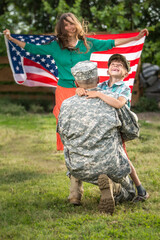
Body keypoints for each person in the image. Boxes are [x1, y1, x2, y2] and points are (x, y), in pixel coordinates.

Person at [3, 12, 149, 151]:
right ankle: (70, 153)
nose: (69, 27)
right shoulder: (56, 46)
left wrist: (136, 37)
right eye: (65, 25)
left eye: (72, 23)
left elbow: (113, 43)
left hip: (85, 90)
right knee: (65, 122)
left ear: (77, 25)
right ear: (62, 28)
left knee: (87, 122)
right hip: (64, 90)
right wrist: (11, 39)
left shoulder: (88, 43)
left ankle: (91, 150)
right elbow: (32, 48)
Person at [57, 60, 137, 214]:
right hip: (108, 163)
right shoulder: (112, 99)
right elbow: (131, 130)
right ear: (99, 79)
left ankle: (75, 194)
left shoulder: (66, 104)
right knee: (129, 193)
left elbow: (62, 132)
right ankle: (114, 189)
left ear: (76, 82)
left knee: (73, 146)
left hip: (78, 165)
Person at [76, 54, 149, 202]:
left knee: (123, 158)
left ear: (126, 73)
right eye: (113, 65)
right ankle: (113, 187)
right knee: (107, 157)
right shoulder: (101, 86)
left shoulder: (124, 88)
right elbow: (88, 95)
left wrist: (98, 94)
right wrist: (80, 91)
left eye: (120, 65)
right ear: (108, 71)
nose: (116, 66)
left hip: (118, 127)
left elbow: (118, 104)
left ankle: (140, 189)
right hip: (102, 127)